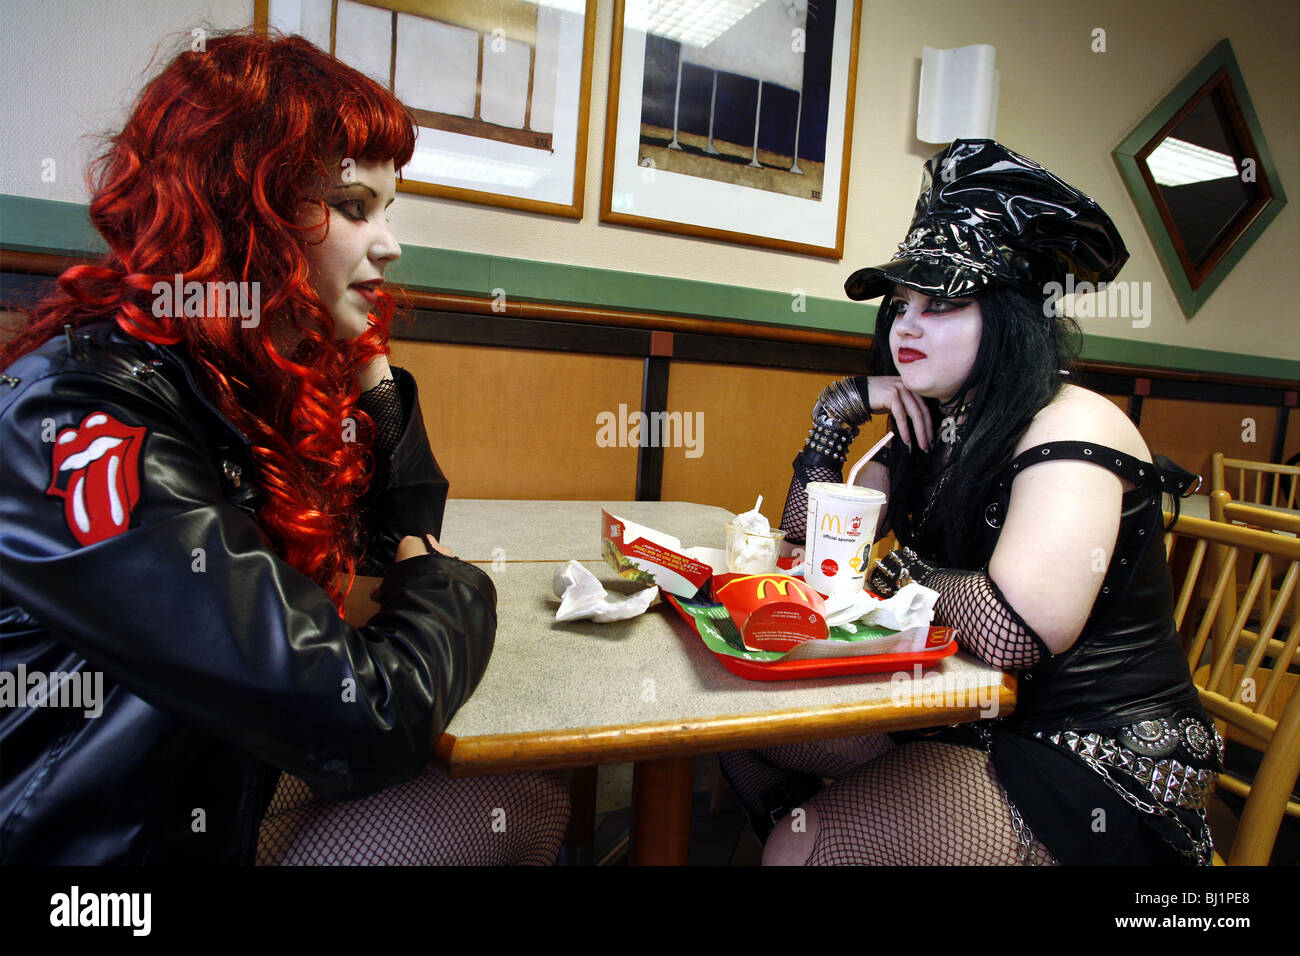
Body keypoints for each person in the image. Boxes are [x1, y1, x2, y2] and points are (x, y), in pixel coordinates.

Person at [0, 30, 568, 865]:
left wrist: (371, 366)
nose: (390, 244)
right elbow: (368, 714)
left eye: (388, 208)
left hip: (213, 786)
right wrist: (455, 586)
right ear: (241, 213)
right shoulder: (83, 418)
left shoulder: (236, 372)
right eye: (352, 207)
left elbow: (400, 526)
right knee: (515, 807)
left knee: (527, 800)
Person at [722, 139, 1218, 866]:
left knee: (799, 849)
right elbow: (811, 543)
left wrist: (900, 577)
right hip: (971, 710)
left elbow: (1017, 629)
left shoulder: (1073, 421)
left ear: (1013, 319)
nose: (907, 328)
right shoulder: (936, 420)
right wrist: (837, 412)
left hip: (1090, 758)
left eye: (944, 304)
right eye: (900, 307)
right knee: (741, 735)